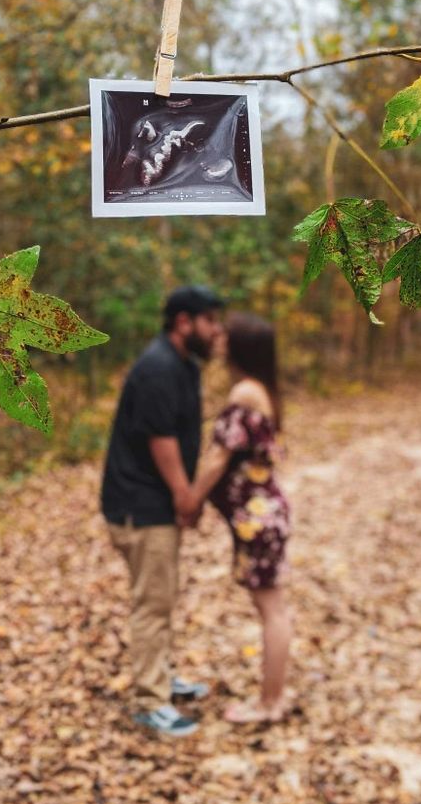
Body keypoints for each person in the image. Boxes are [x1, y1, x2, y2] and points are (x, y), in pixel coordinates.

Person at [101, 284, 224, 736]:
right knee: (152, 604)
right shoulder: (158, 367)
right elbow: (160, 439)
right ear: (183, 322)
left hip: (153, 504)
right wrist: (184, 495)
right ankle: (149, 702)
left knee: (161, 596)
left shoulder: (181, 365)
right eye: (210, 320)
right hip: (141, 505)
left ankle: (160, 677)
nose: (217, 330)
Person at [192, 312, 292, 724]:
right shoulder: (257, 388)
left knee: (272, 608)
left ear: (241, 346)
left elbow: (218, 456)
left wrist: (190, 500)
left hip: (259, 518)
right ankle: (274, 695)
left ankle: (270, 703)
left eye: (226, 336)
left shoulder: (246, 392)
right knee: (272, 606)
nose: (218, 340)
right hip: (261, 516)